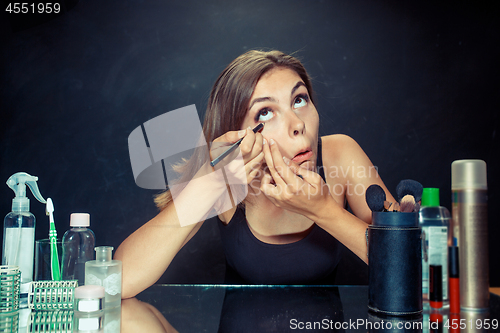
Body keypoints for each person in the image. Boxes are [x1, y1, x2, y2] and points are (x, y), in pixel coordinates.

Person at [115, 50, 396, 298]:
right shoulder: (230, 177)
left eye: (299, 100)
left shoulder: (341, 154)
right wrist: (209, 184)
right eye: (265, 113)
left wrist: (323, 210)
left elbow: (412, 263)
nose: (297, 124)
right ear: (239, 134)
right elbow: (121, 281)